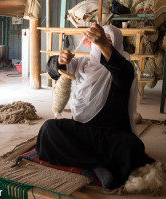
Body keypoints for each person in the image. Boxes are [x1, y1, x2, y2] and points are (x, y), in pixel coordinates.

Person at [36, 23, 149, 189]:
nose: (103, 42)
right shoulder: (82, 64)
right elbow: (54, 71)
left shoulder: (126, 66)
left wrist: (103, 43)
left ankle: (86, 160)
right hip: (82, 131)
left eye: (108, 40)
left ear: (117, 44)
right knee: (48, 129)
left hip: (110, 136)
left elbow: (123, 77)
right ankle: (98, 165)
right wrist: (59, 61)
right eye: (101, 39)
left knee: (133, 148)